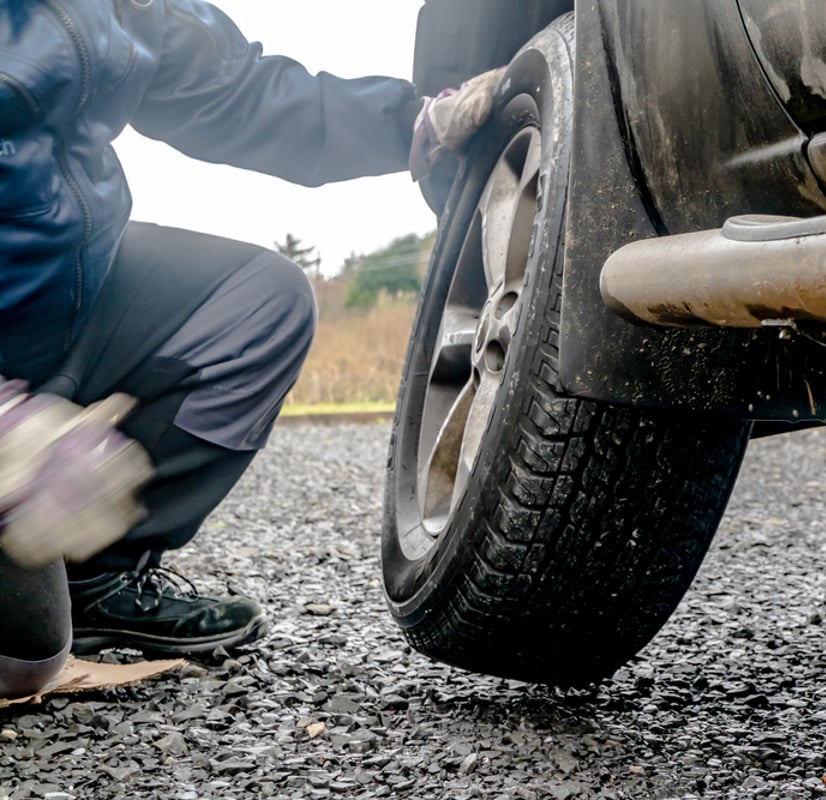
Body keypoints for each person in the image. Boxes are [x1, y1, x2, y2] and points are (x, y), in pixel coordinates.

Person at [0, 0, 501, 699]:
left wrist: (414, 125)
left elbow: (239, 90)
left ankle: (97, 576)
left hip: (56, 298)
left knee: (262, 299)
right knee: (22, 658)